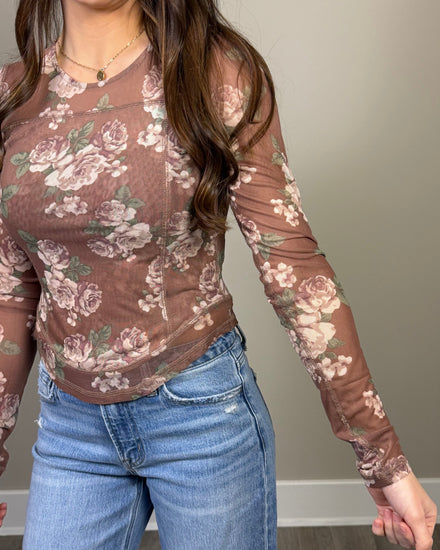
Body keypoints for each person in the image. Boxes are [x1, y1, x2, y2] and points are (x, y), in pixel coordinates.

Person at [0, 0, 436, 548]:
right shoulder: (13, 94)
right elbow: (11, 293)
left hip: (201, 414)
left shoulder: (215, 73)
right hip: (70, 427)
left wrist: (382, 457)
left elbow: (293, 270)